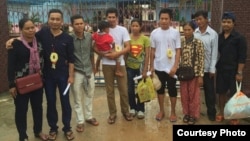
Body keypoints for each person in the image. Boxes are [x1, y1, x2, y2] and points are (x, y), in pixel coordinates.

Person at [35, 9, 75, 140]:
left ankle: (67, 128)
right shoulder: (42, 34)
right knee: (51, 102)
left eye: (58, 19)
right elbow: (27, 37)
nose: (55, 22)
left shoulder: (68, 38)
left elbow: (71, 59)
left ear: (62, 21)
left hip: (63, 76)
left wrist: (71, 76)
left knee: (65, 102)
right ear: (48, 20)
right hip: (48, 76)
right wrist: (14, 40)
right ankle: (53, 128)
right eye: (52, 19)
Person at [7, 18, 48, 141]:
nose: (31, 30)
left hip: (37, 81)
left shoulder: (39, 41)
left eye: (32, 27)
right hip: (21, 84)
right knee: (21, 110)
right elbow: (10, 65)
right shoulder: (15, 44)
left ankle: (38, 131)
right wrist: (11, 85)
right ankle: (23, 136)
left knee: (38, 108)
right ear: (21, 30)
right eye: (27, 28)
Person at [93, 7, 133, 124]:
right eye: (109, 17)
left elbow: (128, 47)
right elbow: (94, 47)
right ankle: (112, 114)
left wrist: (116, 54)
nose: (111, 19)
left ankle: (126, 111)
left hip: (120, 63)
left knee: (124, 90)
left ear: (117, 18)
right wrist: (103, 54)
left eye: (113, 17)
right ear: (106, 18)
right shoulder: (102, 30)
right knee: (109, 91)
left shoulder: (122, 30)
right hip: (106, 64)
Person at [215, 12, 247, 125]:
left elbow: (242, 57)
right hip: (221, 70)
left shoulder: (239, 38)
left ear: (234, 23)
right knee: (221, 92)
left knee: (234, 94)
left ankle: (234, 115)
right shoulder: (218, 37)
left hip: (234, 71)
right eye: (224, 22)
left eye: (229, 22)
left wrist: (239, 72)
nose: (226, 24)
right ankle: (222, 112)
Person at [149, 8, 181, 122]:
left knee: (172, 90)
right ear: (159, 19)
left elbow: (178, 50)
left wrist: (175, 66)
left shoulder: (175, 32)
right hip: (158, 67)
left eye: (166, 18)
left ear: (171, 20)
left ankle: (173, 112)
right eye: (162, 18)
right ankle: (161, 110)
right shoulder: (154, 33)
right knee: (160, 90)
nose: (164, 21)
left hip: (171, 68)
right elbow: (152, 51)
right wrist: (151, 66)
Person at [69, 14, 99, 133]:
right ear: (72, 25)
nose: (79, 26)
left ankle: (88, 117)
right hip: (76, 72)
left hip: (88, 70)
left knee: (89, 94)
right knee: (77, 97)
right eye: (76, 24)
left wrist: (93, 67)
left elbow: (91, 53)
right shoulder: (69, 39)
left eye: (81, 23)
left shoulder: (89, 37)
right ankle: (80, 121)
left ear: (84, 24)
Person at [194, 10, 218, 121]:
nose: (198, 21)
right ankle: (195, 112)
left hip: (208, 68)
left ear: (206, 19)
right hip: (196, 69)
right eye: (197, 19)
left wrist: (212, 68)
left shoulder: (213, 34)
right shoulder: (195, 33)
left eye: (200, 19)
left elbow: (214, 53)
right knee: (195, 92)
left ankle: (211, 112)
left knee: (209, 92)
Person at [179, 21, 204, 125]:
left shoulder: (198, 43)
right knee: (184, 95)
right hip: (183, 73)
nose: (187, 32)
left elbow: (201, 59)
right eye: (185, 29)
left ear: (193, 30)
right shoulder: (181, 41)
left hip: (194, 73)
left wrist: (200, 76)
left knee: (194, 95)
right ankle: (186, 114)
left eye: (189, 29)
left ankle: (193, 115)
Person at [126, 18, 150, 119]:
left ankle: (141, 109)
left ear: (140, 27)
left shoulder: (145, 39)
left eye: (136, 26)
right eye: (133, 26)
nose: (134, 28)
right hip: (129, 67)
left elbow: (147, 55)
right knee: (130, 89)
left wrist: (145, 69)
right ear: (130, 27)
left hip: (140, 68)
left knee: (142, 88)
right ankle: (132, 107)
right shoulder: (127, 38)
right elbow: (125, 53)